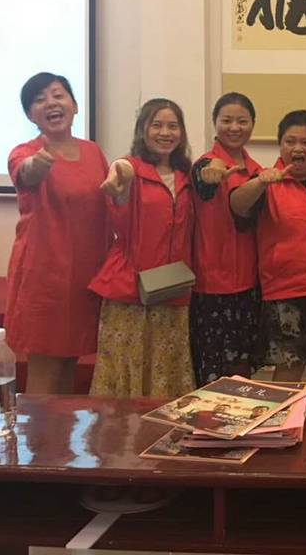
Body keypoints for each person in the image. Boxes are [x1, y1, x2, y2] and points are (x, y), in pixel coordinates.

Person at [230, 110, 306, 403]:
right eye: (290, 141)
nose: (298, 148)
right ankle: (284, 427)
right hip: (286, 292)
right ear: (280, 145)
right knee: (289, 367)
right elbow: (237, 205)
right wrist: (261, 183)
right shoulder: (266, 181)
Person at [4, 72, 109, 394]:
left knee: (68, 367)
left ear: (75, 106)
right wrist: (38, 164)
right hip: (45, 277)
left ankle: (58, 430)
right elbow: (27, 173)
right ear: (30, 115)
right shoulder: (25, 152)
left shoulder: (93, 152)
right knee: (46, 372)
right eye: (40, 99)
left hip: (85, 277)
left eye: (58, 95)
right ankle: (38, 430)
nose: (51, 103)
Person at [88, 98, 196, 398]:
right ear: (143, 130)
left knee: (166, 370)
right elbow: (121, 172)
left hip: (172, 287)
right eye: (156, 125)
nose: (165, 133)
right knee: (125, 368)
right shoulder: (131, 168)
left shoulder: (186, 175)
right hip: (131, 288)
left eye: (173, 126)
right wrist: (118, 175)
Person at [189, 93, 263, 386]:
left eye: (242, 121)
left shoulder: (257, 171)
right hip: (211, 286)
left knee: (242, 372)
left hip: (248, 283)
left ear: (253, 124)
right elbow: (206, 178)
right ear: (215, 124)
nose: (234, 127)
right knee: (210, 373)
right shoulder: (206, 164)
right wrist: (211, 174)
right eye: (227, 121)